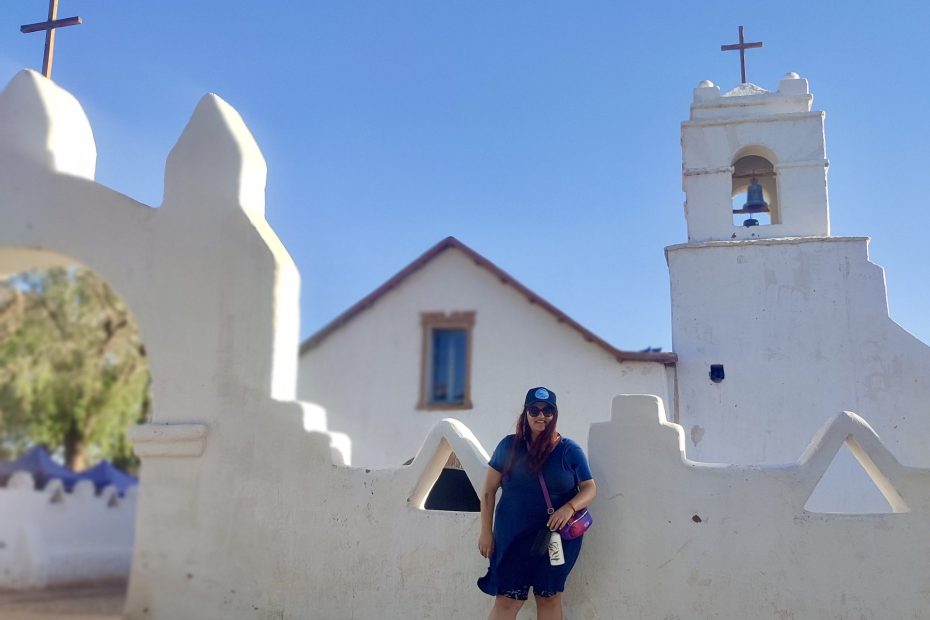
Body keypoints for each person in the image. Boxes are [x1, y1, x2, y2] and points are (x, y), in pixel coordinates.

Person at [477, 386, 597, 620]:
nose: (541, 416)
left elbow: (590, 487)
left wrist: (569, 507)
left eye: (547, 411)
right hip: (512, 537)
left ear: (555, 415)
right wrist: (485, 532)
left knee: (549, 596)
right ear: (525, 413)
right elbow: (489, 491)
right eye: (534, 410)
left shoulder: (569, 450)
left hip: (556, 540)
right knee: (507, 599)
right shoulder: (508, 447)